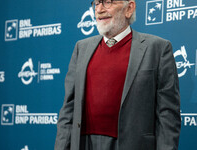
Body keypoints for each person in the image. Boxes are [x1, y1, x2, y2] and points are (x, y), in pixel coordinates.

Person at [55, 0, 181, 150]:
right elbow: (68, 109)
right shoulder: (81, 48)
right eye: (96, 3)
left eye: (108, 2)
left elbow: (167, 115)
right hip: (84, 143)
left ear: (129, 8)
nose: (99, 9)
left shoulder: (158, 48)